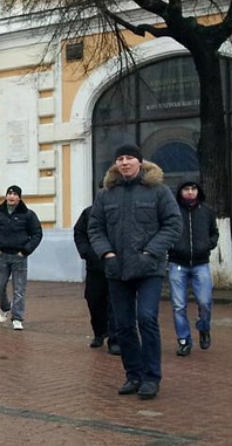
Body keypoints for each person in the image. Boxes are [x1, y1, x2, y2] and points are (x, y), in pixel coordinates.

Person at [88, 143, 181, 400]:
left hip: (149, 268)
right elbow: (95, 228)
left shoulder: (158, 191)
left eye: (129, 158)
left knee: (147, 318)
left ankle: (152, 378)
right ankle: (134, 374)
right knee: (124, 325)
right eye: (120, 158)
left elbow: (173, 224)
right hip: (117, 269)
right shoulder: (106, 194)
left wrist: (151, 251)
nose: (124, 162)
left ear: (140, 162)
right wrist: (107, 253)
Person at [167, 180, 218, 357]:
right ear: (180, 192)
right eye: (186, 189)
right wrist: (171, 247)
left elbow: (214, 233)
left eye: (193, 189)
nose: (190, 192)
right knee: (179, 305)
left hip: (201, 263)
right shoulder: (172, 211)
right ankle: (184, 341)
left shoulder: (207, 211)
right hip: (177, 264)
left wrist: (208, 245)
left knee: (205, 302)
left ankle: (204, 328)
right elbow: (166, 231)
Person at [0, 185, 43, 330]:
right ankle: (5, 307)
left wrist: (25, 251)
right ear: (6, 196)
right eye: (9, 193)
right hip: (2, 256)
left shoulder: (28, 215)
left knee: (19, 289)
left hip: (19, 257)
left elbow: (37, 234)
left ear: (19, 198)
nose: (11, 196)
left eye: (15, 194)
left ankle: (17, 318)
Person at [74, 203, 119, 355]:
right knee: (94, 299)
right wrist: (86, 252)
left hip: (117, 265)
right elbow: (79, 233)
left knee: (116, 302)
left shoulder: (122, 208)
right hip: (95, 266)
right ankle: (99, 333)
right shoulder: (89, 212)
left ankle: (115, 339)